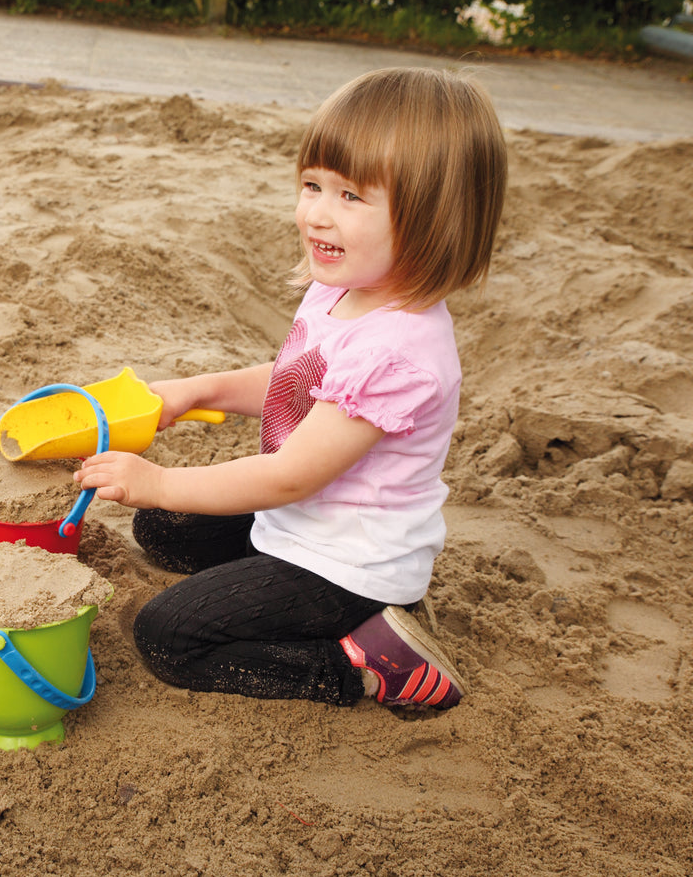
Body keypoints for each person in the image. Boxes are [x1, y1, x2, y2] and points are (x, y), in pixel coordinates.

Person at [74, 67, 507, 710]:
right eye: (312, 185)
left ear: (434, 219)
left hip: (348, 566)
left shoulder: (399, 352)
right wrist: (201, 391)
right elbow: (299, 383)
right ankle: (285, 605)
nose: (316, 215)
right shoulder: (342, 283)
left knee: (167, 638)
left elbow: (291, 476)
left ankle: (363, 663)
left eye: (352, 197)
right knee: (163, 529)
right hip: (298, 524)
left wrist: (159, 478)